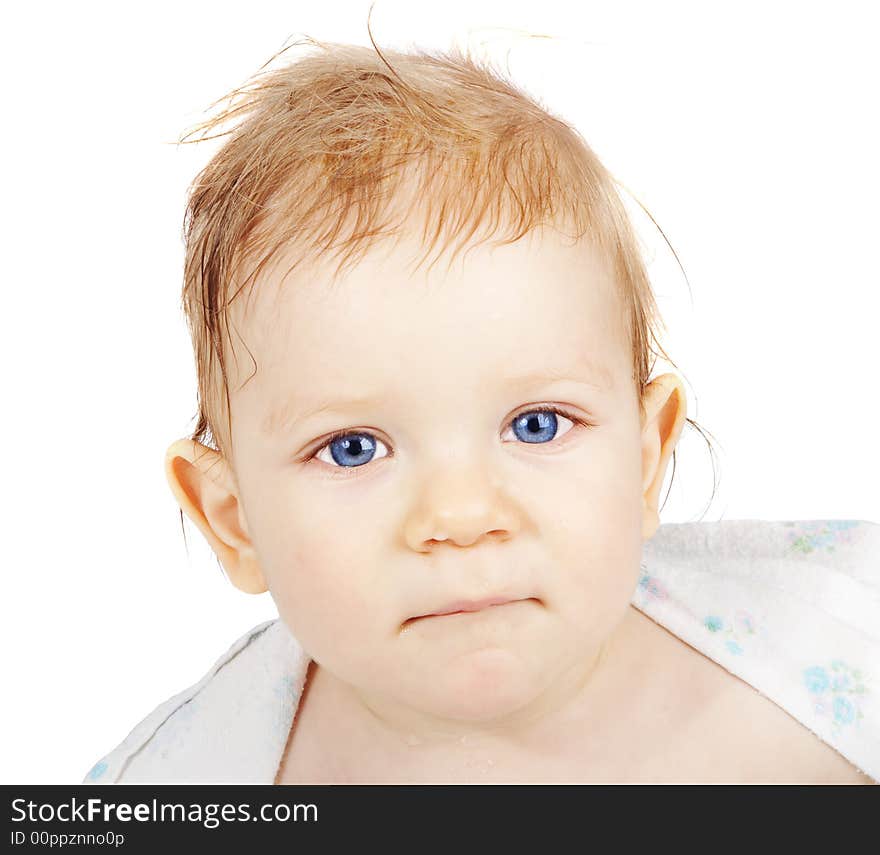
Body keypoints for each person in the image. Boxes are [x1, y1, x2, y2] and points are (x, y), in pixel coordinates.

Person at [83, 35, 878, 784]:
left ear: (643, 459)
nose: (460, 516)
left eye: (537, 424)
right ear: (233, 518)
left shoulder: (830, 661)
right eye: (353, 447)